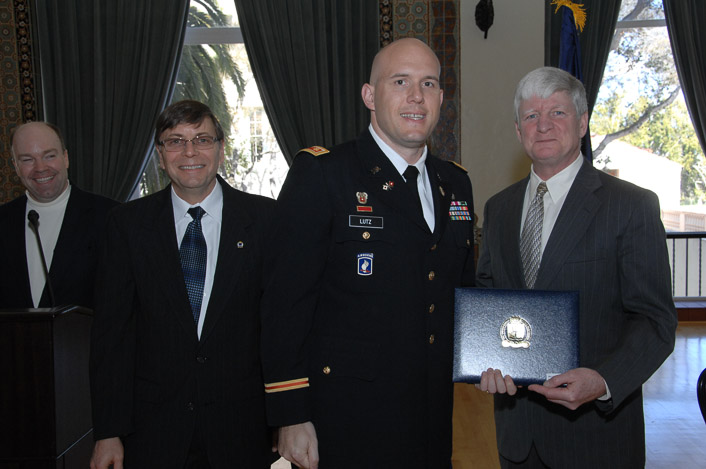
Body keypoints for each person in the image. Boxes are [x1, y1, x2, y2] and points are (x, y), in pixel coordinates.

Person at [261, 38, 476, 469]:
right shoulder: (323, 174)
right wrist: (290, 414)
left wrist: (496, 353)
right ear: (369, 95)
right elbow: (284, 303)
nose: (417, 97)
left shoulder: (455, 183)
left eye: (429, 83)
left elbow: (459, 294)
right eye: (401, 81)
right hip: (346, 419)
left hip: (432, 416)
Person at [476, 67, 677, 468]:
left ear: (583, 122)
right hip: (517, 436)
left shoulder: (630, 206)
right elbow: (488, 297)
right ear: (518, 130)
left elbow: (655, 320)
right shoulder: (498, 209)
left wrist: (603, 381)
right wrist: (484, 357)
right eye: (531, 116)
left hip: (596, 438)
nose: (544, 125)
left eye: (558, 113)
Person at [89, 100, 276, 468]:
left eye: (202, 139)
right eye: (175, 141)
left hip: (243, 431)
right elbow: (112, 337)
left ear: (221, 149)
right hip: (152, 433)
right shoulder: (126, 226)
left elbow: (280, 329)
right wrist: (107, 432)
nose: (189, 152)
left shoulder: (266, 221)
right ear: (160, 155)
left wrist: (286, 418)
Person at [0, 122, 117, 309]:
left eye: (49, 156)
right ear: (15, 166)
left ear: (66, 158)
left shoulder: (111, 216)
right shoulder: (3, 221)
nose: (40, 168)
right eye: (27, 159)